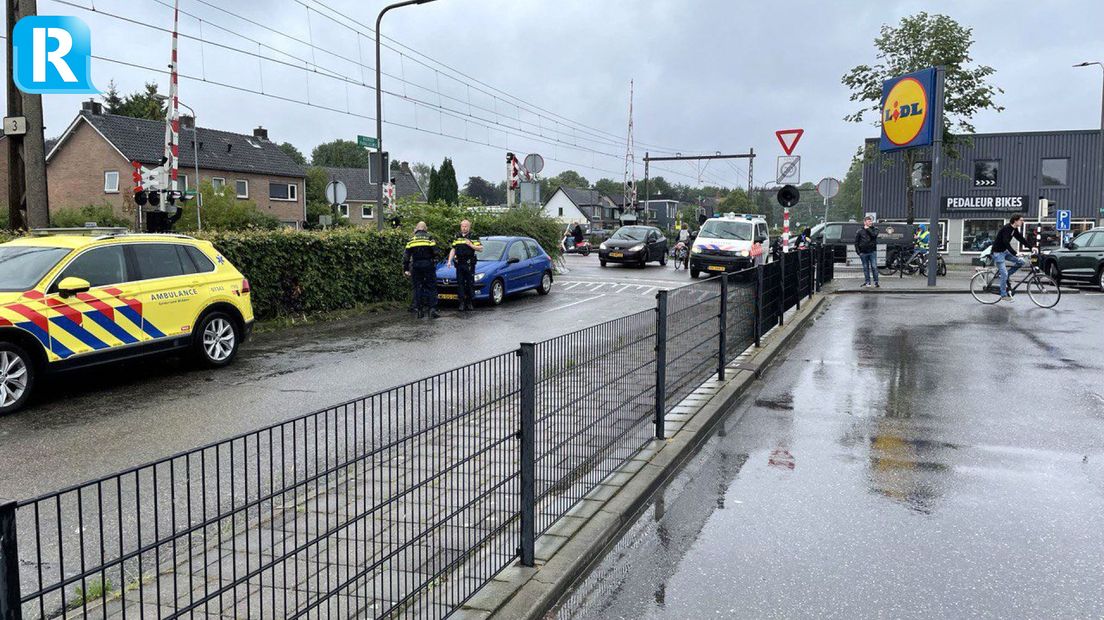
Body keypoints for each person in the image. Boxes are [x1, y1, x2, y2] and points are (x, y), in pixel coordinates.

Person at [990, 214, 1033, 301]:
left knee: (1021, 262)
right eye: (1021, 220)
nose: (1022, 222)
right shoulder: (1006, 228)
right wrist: (1015, 253)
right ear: (1015, 221)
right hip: (997, 253)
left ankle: (1005, 277)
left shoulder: (1014, 229)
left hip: (1004, 252)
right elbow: (1006, 242)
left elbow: (1021, 239)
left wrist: (1031, 247)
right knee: (1004, 273)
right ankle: (1003, 295)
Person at [403, 221, 440, 319]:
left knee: (417, 288)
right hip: (428, 265)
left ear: (417, 228)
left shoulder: (411, 240)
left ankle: (419, 310)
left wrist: (406, 268)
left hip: (416, 266)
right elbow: (436, 252)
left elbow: (406, 255)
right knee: (431, 287)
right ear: (425, 228)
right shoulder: (430, 238)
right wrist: (434, 261)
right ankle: (432, 310)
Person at [447, 219, 483, 312]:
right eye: (462, 226)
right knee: (460, 283)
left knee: (470, 283)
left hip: (469, 263)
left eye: (466, 226)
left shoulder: (473, 236)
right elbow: (453, 249)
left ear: (469, 227)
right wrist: (449, 260)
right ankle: (462, 303)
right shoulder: (457, 236)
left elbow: (480, 248)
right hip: (459, 263)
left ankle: (470, 302)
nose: (464, 228)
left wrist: (471, 244)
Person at [855, 216, 879, 288]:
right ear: (865, 222)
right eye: (869, 221)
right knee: (865, 268)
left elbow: (874, 235)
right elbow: (856, 242)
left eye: (871, 221)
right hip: (863, 253)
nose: (870, 222)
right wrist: (859, 252)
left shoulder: (875, 229)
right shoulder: (859, 231)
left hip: (872, 252)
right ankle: (867, 282)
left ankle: (876, 282)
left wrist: (868, 228)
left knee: (874, 267)